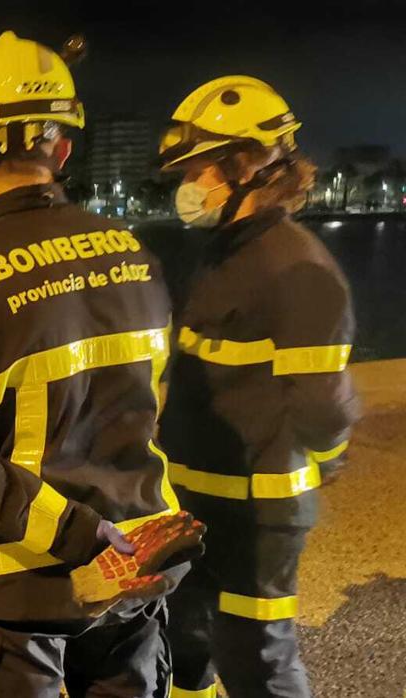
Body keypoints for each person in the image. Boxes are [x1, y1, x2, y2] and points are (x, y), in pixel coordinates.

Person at [0, 30, 193, 697]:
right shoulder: (135, 256)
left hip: (13, 590)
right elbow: (155, 406)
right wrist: (110, 535)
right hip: (132, 565)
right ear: (63, 148)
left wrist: (73, 532)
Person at [155, 76, 361, 698]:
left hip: (259, 516)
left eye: (202, 169)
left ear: (253, 163)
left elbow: (323, 405)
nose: (191, 187)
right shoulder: (221, 251)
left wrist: (324, 458)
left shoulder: (298, 267)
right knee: (183, 646)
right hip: (194, 500)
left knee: (257, 660)